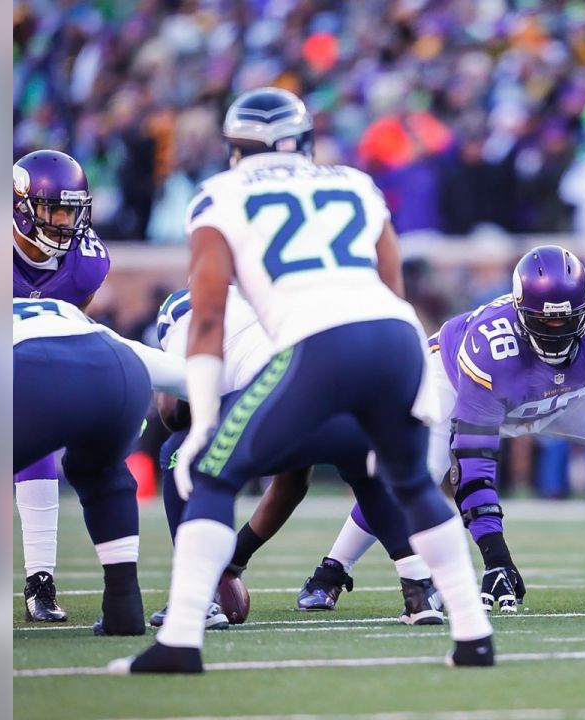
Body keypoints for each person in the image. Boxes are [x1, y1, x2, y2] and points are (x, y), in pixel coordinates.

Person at [110, 88, 493, 674]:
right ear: (304, 140)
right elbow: (391, 284)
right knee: (411, 482)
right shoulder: (353, 183)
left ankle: (181, 642)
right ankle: (473, 634)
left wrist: (205, 423)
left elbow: (208, 316)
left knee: (211, 470)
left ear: (235, 147)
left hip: (319, 341)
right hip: (396, 335)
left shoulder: (219, 194)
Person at [297, 245, 585, 614]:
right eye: (545, 320)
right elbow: (473, 469)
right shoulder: (491, 348)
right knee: (414, 476)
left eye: (566, 319)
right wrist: (496, 558)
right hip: (454, 385)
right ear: (521, 311)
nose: (556, 330)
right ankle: (332, 569)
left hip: (563, 393)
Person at [151, 287, 443, 627]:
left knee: (176, 451)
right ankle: (419, 589)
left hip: (282, 404)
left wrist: (193, 407)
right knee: (364, 469)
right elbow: (292, 482)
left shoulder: (183, 315)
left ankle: (195, 596)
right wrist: (235, 560)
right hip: (354, 397)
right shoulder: (271, 303)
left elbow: (170, 410)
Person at [13, 297, 185, 635]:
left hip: (25, 371)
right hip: (117, 369)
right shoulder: (63, 310)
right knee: (100, 469)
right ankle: (124, 605)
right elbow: (173, 371)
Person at [13, 149, 112, 622]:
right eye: (54, 210)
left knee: (38, 445)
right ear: (21, 207)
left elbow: (69, 321)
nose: (64, 223)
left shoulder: (86, 263)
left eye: (72, 211)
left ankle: (40, 582)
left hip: (28, 361)